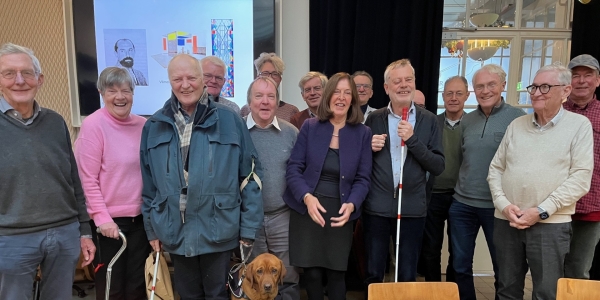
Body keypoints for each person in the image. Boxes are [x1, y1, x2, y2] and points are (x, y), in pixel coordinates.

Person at [140, 54, 263, 300]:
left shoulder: (230, 120)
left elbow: (250, 176)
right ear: (170, 82)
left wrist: (248, 229)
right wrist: (152, 230)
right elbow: (149, 184)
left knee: (217, 294)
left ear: (202, 80)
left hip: (218, 229)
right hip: (176, 231)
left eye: (191, 77)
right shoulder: (153, 125)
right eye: (178, 79)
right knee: (187, 296)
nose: (185, 85)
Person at [488, 64, 594, 300]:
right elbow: (495, 169)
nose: (536, 92)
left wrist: (541, 211)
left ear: (565, 91)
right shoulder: (516, 125)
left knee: (546, 293)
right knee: (506, 290)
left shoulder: (579, 126)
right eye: (534, 86)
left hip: (551, 225)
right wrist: (504, 205)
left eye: (545, 87)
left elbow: (580, 178)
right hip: (507, 222)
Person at [0, 42, 95, 299]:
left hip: (64, 234)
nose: (19, 80)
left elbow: (73, 180)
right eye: (9, 73)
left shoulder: (55, 122)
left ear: (40, 79)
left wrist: (85, 231)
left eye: (27, 73)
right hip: (11, 239)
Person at [284, 72, 372, 300]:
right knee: (311, 275)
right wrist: (306, 197)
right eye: (336, 92)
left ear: (353, 99)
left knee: (336, 275)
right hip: (307, 210)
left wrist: (352, 204)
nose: (341, 97)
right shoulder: (310, 127)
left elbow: (363, 179)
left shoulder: (363, 133)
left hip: (340, 212)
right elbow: (294, 169)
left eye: (347, 93)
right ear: (328, 96)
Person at [363, 59, 445, 287]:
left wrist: (412, 140)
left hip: (411, 210)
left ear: (415, 83)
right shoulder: (374, 119)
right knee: (374, 273)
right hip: (377, 209)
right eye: (396, 81)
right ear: (387, 88)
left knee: (407, 275)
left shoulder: (429, 120)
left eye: (408, 79)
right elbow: (361, 164)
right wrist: (367, 148)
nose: (403, 85)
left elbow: (438, 165)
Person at [449, 64, 525, 300]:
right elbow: (463, 160)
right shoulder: (467, 121)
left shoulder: (518, 119)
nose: (485, 91)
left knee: (504, 267)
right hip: (462, 205)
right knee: (459, 266)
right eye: (479, 86)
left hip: (499, 207)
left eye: (491, 85)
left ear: (502, 85)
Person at [74, 67, 151, 300]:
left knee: (137, 287)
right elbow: (86, 179)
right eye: (112, 91)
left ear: (133, 94)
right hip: (108, 226)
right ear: (101, 93)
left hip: (140, 221)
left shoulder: (143, 126)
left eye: (126, 90)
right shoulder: (93, 126)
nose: (120, 97)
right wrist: (102, 218)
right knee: (112, 288)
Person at [246, 77, 300, 300]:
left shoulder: (291, 132)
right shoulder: (237, 131)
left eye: (271, 96)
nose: (265, 102)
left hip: (282, 215)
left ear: (278, 102)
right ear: (249, 102)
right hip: (249, 219)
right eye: (259, 96)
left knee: (287, 277)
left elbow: (300, 172)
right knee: (254, 278)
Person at [420, 76, 469, 282]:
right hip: (433, 195)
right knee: (431, 249)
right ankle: (433, 291)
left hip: (462, 197)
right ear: (443, 96)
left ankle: (453, 291)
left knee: (459, 252)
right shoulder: (432, 123)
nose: (454, 98)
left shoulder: (473, 124)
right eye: (449, 93)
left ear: (467, 95)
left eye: (459, 93)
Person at [563, 54, 600, 280]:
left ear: (597, 80)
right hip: (554, 206)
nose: (581, 80)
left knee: (578, 270)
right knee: (550, 267)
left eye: (588, 75)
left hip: (591, 205)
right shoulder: (555, 112)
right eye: (575, 75)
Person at [241, 52, 299, 121]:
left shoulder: (291, 111)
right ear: (258, 77)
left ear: (280, 79)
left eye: (275, 74)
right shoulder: (245, 111)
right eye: (265, 73)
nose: (270, 77)